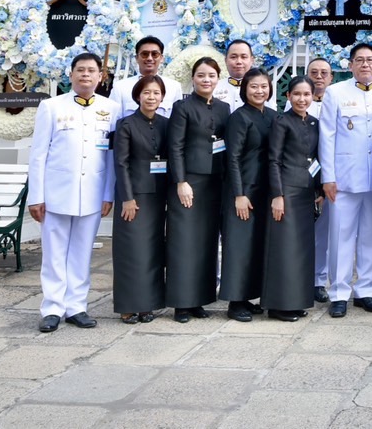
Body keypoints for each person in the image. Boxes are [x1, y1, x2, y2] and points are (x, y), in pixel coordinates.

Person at [28, 52, 115, 332]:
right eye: (80, 70)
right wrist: (36, 196)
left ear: (100, 77)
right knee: (53, 254)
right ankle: (52, 307)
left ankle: (77, 306)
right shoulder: (51, 107)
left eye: (91, 70)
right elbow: (38, 154)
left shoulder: (110, 108)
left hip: (92, 193)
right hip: (56, 194)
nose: (86, 75)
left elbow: (112, 157)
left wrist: (109, 193)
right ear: (71, 74)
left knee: (81, 253)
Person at [319, 42, 372, 317]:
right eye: (359, 60)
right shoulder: (335, 93)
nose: (365, 65)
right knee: (341, 236)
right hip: (343, 179)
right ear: (349, 65)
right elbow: (327, 137)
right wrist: (328, 176)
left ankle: (366, 291)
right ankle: (339, 292)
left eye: (370, 60)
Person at [166, 55, 231, 322]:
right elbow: (175, 146)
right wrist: (181, 181)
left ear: (218, 79)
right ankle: (182, 302)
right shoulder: (182, 107)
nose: (206, 80)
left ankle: (200, 299)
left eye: (211, 76)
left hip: (215, 182)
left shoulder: (224, 108)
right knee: (184, 242)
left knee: (206, 242)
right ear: (193, 78)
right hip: (189, 182)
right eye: (201, 75)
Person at [112, 74, 169, 324]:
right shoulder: (126, 124)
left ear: (162, 97)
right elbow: (121, 163)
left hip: (158, 196)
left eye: (156, 93)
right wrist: (127, 197)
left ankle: (148, 304)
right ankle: (128, 305)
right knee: (131, 251)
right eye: (147, 93)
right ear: (138, 96)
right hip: (134, 198)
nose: (151, 97)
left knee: (152, 252)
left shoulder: (167, 124)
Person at [263, 75, 321, 322]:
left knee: (301, 250)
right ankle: (278, 305)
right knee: (283, 249)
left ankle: (296, 301)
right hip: (286, 191)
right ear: (288, 96)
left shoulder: (315, 123)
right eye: (297, 94)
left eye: (306, 94)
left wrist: (318, 192)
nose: (302, 99)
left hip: (307, 192)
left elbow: (317, 158)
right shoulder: (281, 122)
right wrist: (277, 195)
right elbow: (273, 159)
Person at [221, 68, 274, 322]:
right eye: (254, 86)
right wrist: (238, 194)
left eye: (264, 86)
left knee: (257, 246)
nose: (259, 91)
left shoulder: (272, 116)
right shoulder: (239, 118)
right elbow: (232, 158)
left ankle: (251, 295)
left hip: (266, 191)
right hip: (243, 191)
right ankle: (236, 301)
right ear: (245, 89)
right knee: (239, 246)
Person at [303, 56, 334, 302]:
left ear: (331, 77)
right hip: (305, 179)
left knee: (327, 234)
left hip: (332, 178)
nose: (319, 77)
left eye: (324, 73)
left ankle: (318, 281)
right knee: (305, 232)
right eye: (314, 72)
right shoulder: (299, 103)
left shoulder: (337, 102)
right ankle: (300, 278)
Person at [115, 36, 180, 120]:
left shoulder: (174, 87)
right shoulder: (120, 87)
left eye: (154, 54)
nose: (149, 58)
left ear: (161, 58)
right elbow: (115, 121)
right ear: (137, 58)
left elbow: (177, 120)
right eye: (144, 54)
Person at [217, 39, 254, 111]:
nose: (239, 62)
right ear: (226, 60)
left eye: (244, 57)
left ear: (252, 60)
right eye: (233, 57)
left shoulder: (261, 89)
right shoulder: (214, 87)